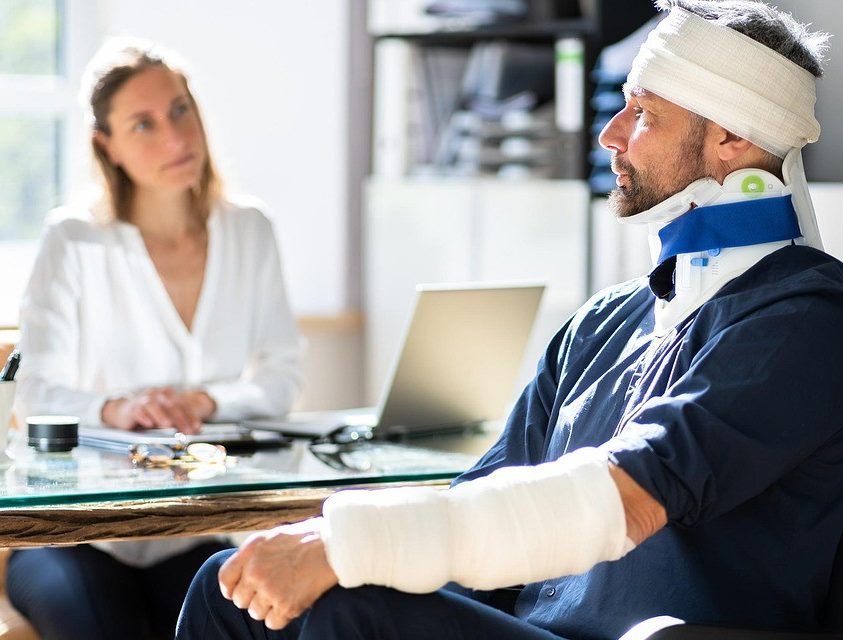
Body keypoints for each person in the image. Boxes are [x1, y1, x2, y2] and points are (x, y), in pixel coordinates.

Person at [177, 1, 843, 638]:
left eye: (640, 113)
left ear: (730, 137)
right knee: (234, 588)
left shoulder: (804, 322)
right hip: (527, 629)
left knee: (348, 613)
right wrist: (336, 559)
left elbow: (626, 498)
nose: (608, 135)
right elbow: (485, 505)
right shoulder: (601, 324)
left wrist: (346, 543)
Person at [9, 38, 301, 640]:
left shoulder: (249, 230)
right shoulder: (74, 240)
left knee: (256, 621)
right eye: (143, 124)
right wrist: (120, 408)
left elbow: (281, 379)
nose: (175, 137)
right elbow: (32, 395)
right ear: (105, 146)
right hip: (78, 536)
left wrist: (206, 402)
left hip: (194, 529)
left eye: (180, 109)